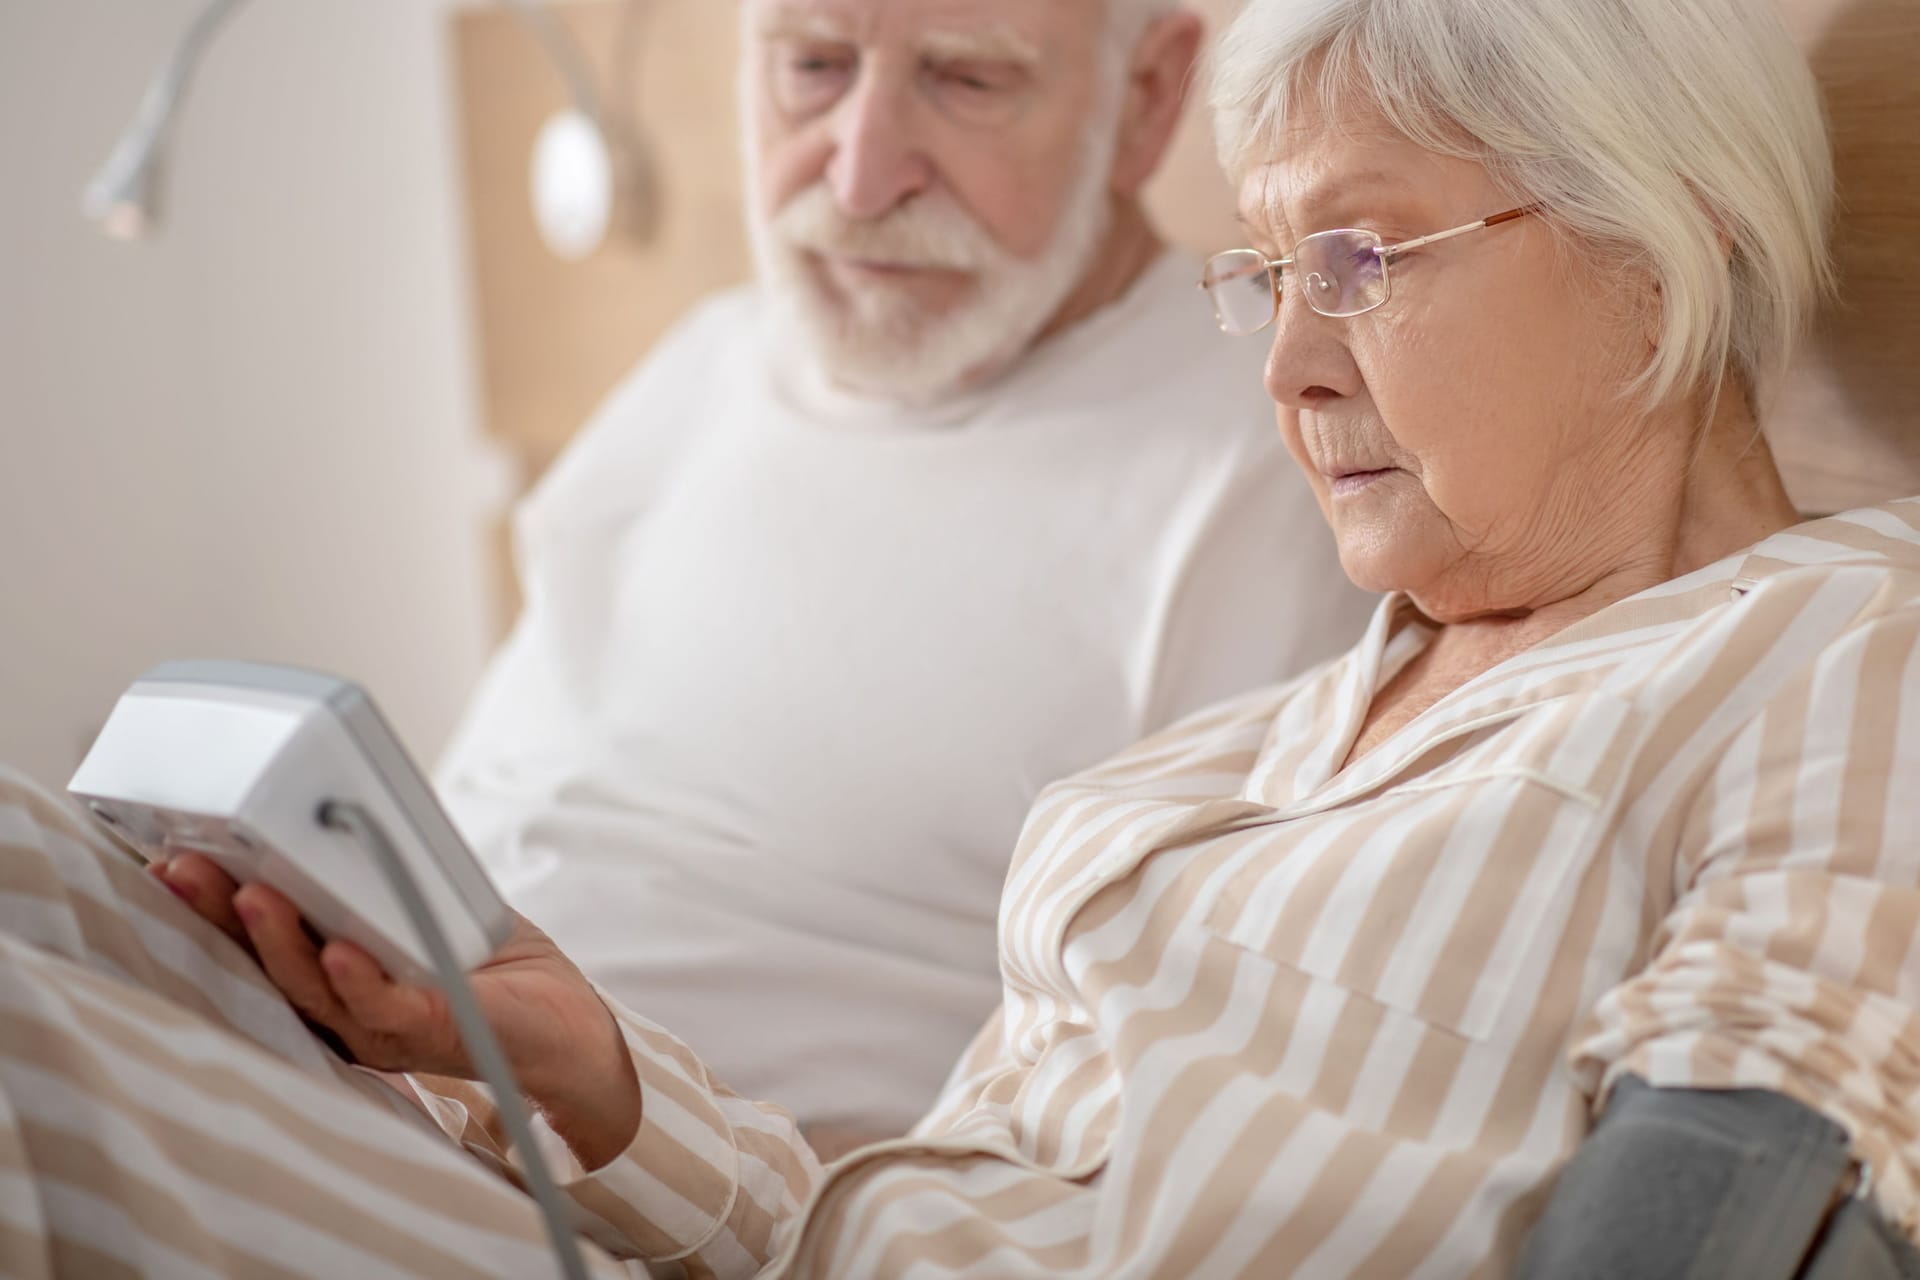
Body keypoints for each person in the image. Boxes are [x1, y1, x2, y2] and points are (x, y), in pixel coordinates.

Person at [5, 0, 1919, 1275]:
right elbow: (907, 1212)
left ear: (1678, 253)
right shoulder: (1261, 746)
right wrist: (598, 1079)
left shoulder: (1830, 638)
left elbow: (1762, 1149)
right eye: (1263, 273)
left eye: (1356, 260)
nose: (1282, 366)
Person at [432, 0, 1369, 1147]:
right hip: (382, 1070)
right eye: (813, 66)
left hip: (655, 1199)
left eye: (968, 80)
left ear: (1147, 97)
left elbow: (1187, 1110)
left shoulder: (1286, 452)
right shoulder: (706, 354)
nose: (863, 177)